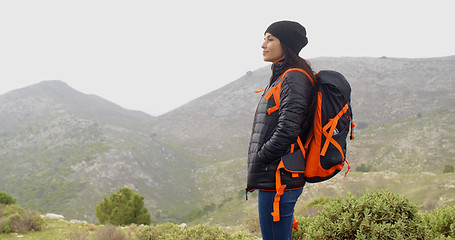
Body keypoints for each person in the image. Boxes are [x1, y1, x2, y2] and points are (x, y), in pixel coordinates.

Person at [246, 20, 317, 240]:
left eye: (270, 39)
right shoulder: (282, 77)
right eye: (264, 38)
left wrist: (262, 157)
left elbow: (288, 129)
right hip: (276, 175)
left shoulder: (294, 77)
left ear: (285, 44)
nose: (263, 45)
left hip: (278, 177)